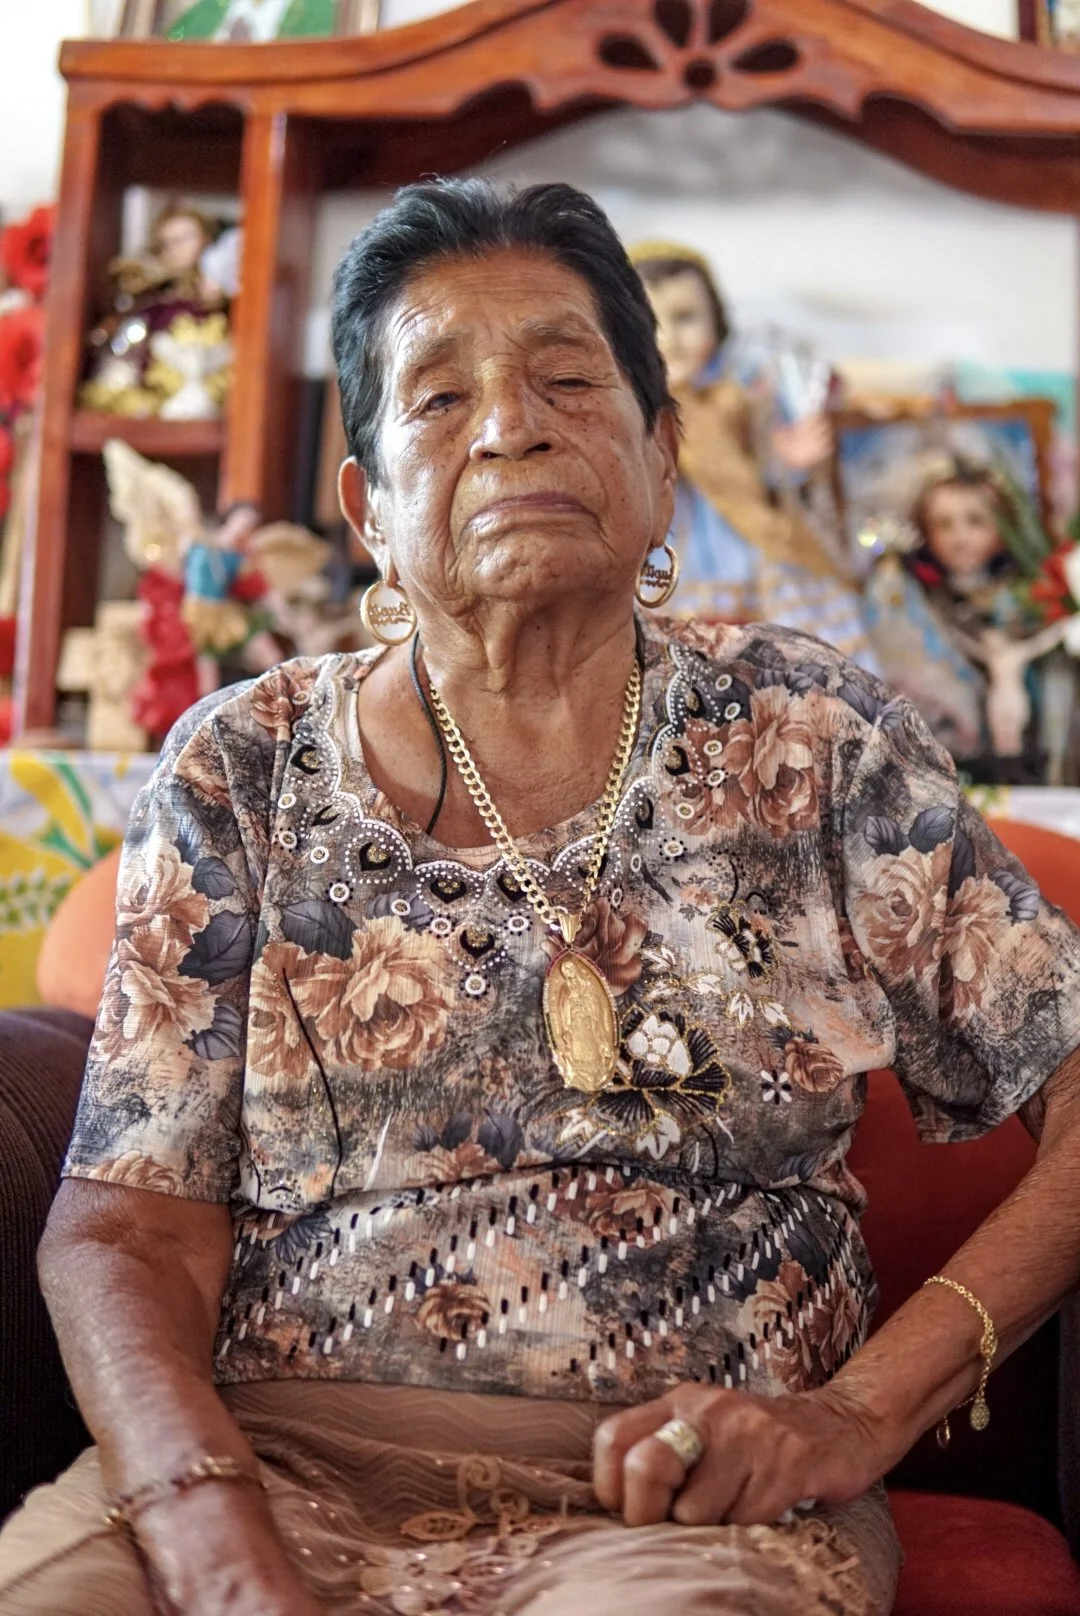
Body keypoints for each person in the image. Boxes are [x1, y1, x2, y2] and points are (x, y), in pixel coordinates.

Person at [2, 179, 1079, 1616]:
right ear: (369, 508)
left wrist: (858, 1412)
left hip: (681, 1506)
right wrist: (201, 1523)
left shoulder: (815, 740)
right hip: (261, 1462)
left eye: (568, 380)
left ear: (662, 452)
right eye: (440, 398)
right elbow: (127, 1224)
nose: (510, 425)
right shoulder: (240, 766)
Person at [630, 242, 878, 671]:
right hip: (668, 543)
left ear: (717, 321)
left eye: (686, 317)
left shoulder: (742, 394)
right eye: (650, 321)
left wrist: (793, 463)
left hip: (749, 540)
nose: (669, 338)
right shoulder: (631, 405)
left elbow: (771, 471)